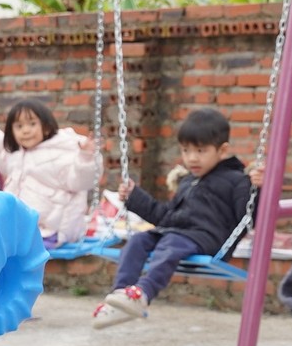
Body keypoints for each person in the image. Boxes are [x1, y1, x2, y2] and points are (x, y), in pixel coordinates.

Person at [94, 109, 254, 328]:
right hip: (176, 233)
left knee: (170, 243)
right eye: (186, 151)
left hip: (207, 240)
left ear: (222, 150)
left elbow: (250, 216)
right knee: (138, 240)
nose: (192, 158)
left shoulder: (237, 181)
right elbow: (165, 217)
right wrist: (135, 198)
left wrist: (259, 190)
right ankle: (120, 296)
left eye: (201, 150)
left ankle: (142, 294)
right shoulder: (188, 182)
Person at [0, 97, 102, 247]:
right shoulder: (17, 155)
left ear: (46, 127)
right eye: (19, 126)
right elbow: (0, 156)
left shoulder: (60, 154)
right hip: (24, 227)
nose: (25, 131)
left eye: (32, 124)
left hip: (53, 229)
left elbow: (80, 180)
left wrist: (86, 157)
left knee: (14, 249)